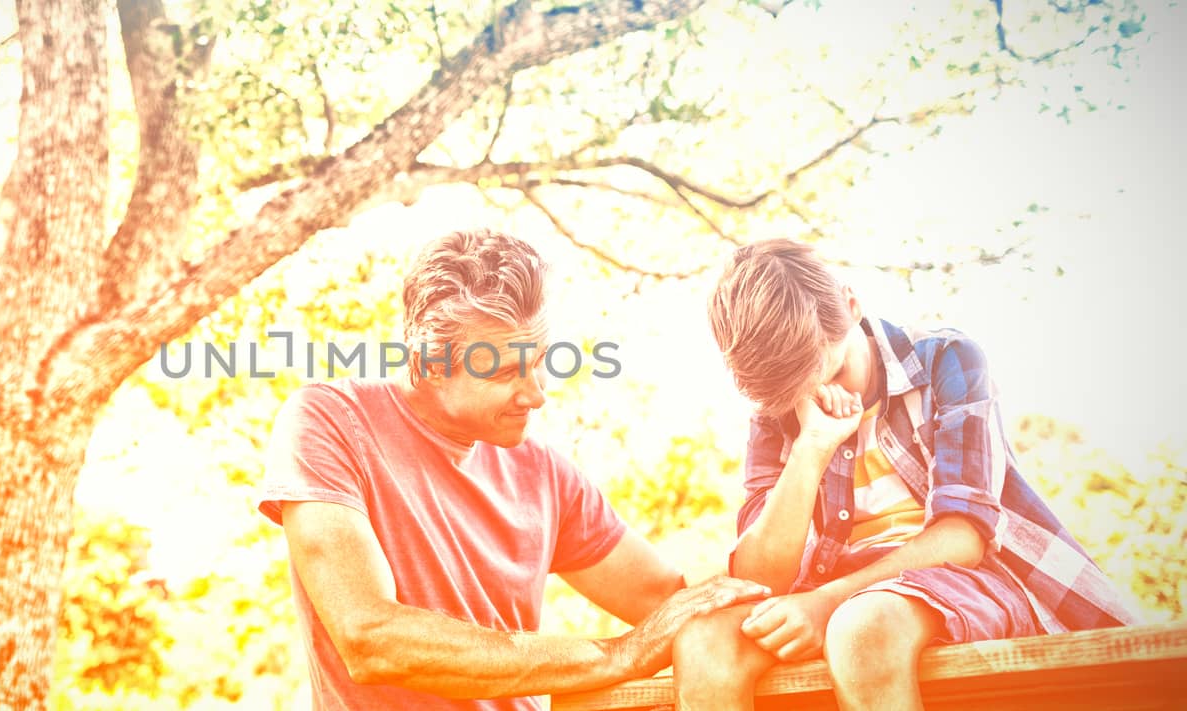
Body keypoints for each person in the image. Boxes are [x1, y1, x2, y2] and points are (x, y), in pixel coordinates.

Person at [257, 229, 769, 709]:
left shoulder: (546, 476)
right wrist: (619, 654)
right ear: (429, 364)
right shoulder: (328, 423)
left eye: (540, 360)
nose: (537, 394)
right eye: (505, 373)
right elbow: (370, 638)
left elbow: (675, 607)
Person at [677, 238, 1139, 710]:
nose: (820, 397)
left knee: (862, 628)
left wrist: (829, 601)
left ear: (851, 305)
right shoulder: (778, 413)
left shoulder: (946, 360)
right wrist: (811, 448)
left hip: (960, 580)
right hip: (823, 597)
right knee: (703, 643)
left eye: (832, 373)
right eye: (797, 393)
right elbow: (761, 579)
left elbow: (964, 537)